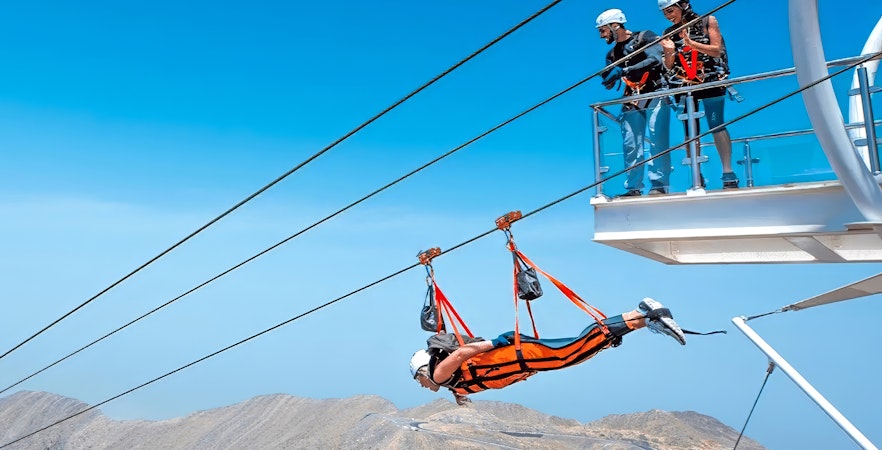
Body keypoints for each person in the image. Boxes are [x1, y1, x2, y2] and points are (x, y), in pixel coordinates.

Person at [410, 297, 685, 405]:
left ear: (424, 370)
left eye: (419, 379)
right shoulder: (452, 384)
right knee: (577, 353)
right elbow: (466, 379)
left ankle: (641, 313)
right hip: (523, 361)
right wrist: (460, 396)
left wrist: (494, 343)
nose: (423, 385)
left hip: (519, 356)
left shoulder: (439, 375)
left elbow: (460, 355)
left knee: (573, 351)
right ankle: (642, 321)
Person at [658, 0, 739, 189]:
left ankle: (728, 172)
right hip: (685, 85)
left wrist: (690, 43)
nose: (669, 16)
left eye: (671, 10)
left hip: (710, 80)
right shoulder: (667, 33)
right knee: (690, 132)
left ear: (683, 5)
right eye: (665, 13)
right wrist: (669, 52)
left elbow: (717, 50)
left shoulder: (708, 21)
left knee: (716, 124)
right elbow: (669, 65)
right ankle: (697, 176)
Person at [596, 8, 672, 197]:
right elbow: (611, 74)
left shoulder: (644, 37)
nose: (601, 35)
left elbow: (655, 60)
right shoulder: (612, 54)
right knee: (631, 143)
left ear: (615, 26)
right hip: (633, 97)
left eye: (603, 30)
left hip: (656, 91)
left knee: (657, 139)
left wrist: (624, 71)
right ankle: (633, 187)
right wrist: (610, 78)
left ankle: (659, 185)